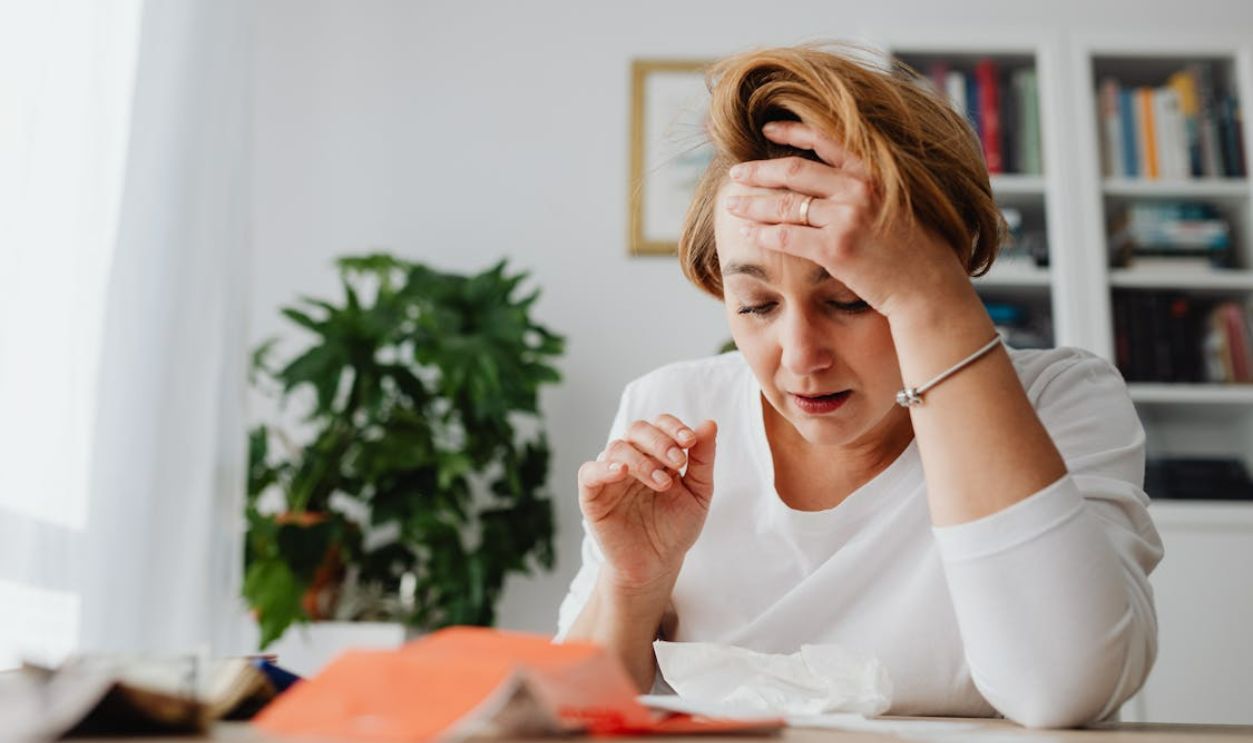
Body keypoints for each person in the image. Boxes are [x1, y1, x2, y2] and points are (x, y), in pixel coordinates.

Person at [556, 43, 1163, 729]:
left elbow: (1061, 689)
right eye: (756, 305)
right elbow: (572, 713)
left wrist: (932, 299)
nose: (800, 357)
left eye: (849, 299)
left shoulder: (1060, 401)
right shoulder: (674, 408)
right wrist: (633, 583)